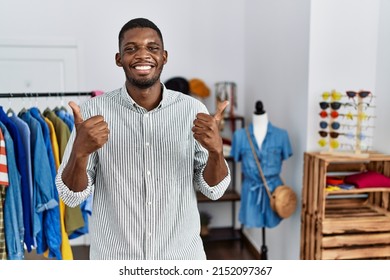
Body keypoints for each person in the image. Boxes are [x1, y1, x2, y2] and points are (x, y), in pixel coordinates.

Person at [55, 18, 231, 260]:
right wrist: (80, 153)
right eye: (131, 48)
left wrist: (216, 152)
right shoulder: (91, 114)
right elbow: (71, 196)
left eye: (152, 47)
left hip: (181, 259)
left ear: (164, 56)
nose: (142, 55)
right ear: (119, 59)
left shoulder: (192, 110)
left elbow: (214, 190)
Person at [230, 101, 292, 229]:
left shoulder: (281, 135)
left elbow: (286, 155)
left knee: (272, 218)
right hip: (251, 189)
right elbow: (236, 158)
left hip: (275, 191)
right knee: (251, 218)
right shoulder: (240, 136)